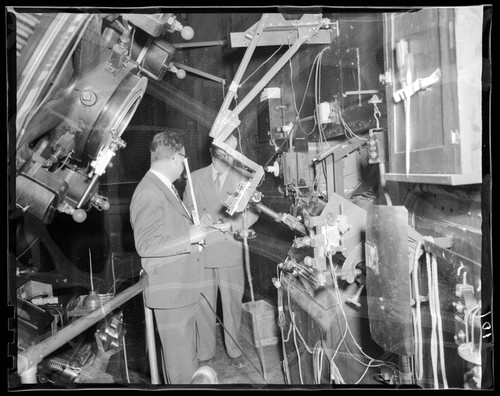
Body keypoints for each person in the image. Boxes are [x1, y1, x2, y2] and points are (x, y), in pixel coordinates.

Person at [129, 130, 210, 384]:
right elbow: (147, 246)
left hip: (181, 291)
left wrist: (195, 230)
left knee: (187, 363)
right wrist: (190, 237)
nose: (185, 167)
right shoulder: (149, 191)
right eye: (184, 160)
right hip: (171, 296)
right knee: (181, 372)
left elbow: (170, 231)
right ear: (176, 158)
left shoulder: (164, 188)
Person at [183, 134, 259, 369]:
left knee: (232, 305)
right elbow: (186, 210)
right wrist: (197, 219)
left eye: (230, 155)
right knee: (203, 305)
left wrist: (233, 225)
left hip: (230, 249)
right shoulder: (194, 178)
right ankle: (205, 352)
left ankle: (235, 350)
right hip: (204, 252)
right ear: (212, 152)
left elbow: (254, 213)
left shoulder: (243, 179)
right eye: (221, 155)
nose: (225, 160)